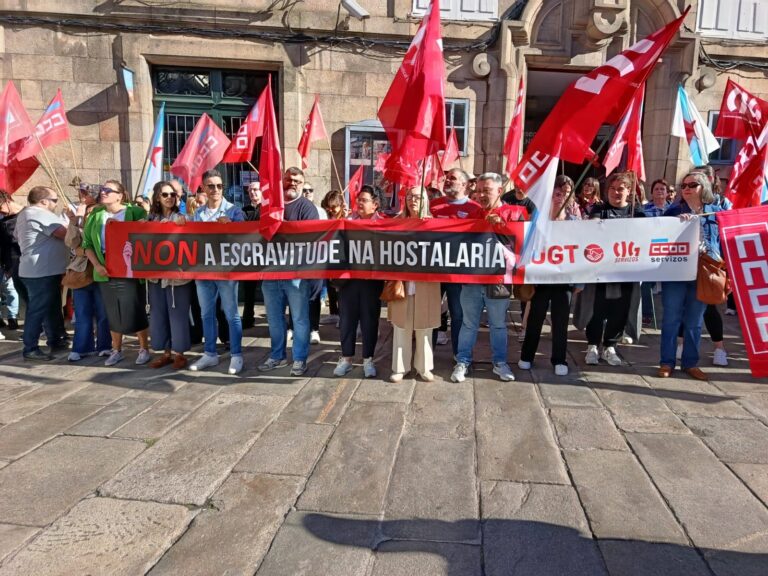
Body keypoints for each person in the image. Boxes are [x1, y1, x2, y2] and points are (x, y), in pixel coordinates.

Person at [451, 172, 526, 383]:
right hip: (472, 281)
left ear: (499, 191)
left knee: (498, 324)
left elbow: (523, 243)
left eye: (487, 190)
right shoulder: (471, 214)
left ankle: (500, 363)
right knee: (468, 324)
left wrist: (502, 225)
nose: (482, 194)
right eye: (480, 190)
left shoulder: (515, 212)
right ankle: (462, 361)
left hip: (499, 282)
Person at [658, 171, 723, 380]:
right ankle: (667, 362)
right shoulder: (673, 211)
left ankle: (690, 363)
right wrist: (675, 224)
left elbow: (722, 242)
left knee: (695, 321)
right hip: (676, 274)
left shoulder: (716, 213)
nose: (686, 188)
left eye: (692, 185)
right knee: (671, 319)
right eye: (683, 185)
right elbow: (660, 238)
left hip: (703, 273)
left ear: (703, 188)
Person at [577, 172, 644, 367]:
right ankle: (592, 346)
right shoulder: (599, 209)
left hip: (626, 272)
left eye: (621, 189)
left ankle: (610, 346)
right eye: (612, 189)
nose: (616, 192)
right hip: (600, 272)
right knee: (596, 310)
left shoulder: (637, 213)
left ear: (629, 191)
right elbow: (592, 230)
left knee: (620, 310)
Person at [82, 180, 151, 366]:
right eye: (102, 189)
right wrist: (96, 265)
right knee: (112, 311)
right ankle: (116, 349)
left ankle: (143, 348)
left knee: (134, 308)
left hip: (129, 268)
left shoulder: (134, 212)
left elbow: (147, 234)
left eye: (108, 190)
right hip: (105, 268)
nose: (103, 192)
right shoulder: (96, 215)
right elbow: (87, 244)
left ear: (120, 195)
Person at [259, 167, 319, 376]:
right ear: (281, 181)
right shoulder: (269, 206)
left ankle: (299, 359)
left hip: (296, 276)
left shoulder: (307, 207)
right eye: (288, 179)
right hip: (270, 274)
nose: (292, 183)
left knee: (300, 319)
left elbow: (310, 238)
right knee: (274, 319)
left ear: (302, 184)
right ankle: (277, 356)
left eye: (297, 181)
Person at [519, 177, 578, 376]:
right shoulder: (537, 221)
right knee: (535, 319)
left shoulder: (574, 223)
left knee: (561, 322)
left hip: (564, 281)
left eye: (562, 194)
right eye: (554, 195)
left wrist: (578, 281)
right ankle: (526, 356)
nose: (558, 198)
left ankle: (559, 359)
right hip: (541, 280)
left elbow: (581, 254)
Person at [190, 169, 245, 374]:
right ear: (203, 187)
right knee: (206, 314)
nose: (215, 190)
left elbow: (246, 238)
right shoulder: (198, 214)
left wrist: (232, 226)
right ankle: (210, 354)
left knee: (231, 314)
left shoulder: (234, 211)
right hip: (203, 271)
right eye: (211, 186)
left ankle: (237, 355)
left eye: (219, 186)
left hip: (226, 271)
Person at [388, 187, 441, 382]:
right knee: (402, 326)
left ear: (425, 200)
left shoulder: (436, 225)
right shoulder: (396, 223)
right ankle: (400, 367)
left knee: (424, 326)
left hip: (426, 284)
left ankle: (424, 367)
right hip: (401, 282)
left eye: (418, 197)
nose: (413, 200)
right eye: (409, 197)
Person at [430, 168, 484, 356]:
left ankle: (458, 354)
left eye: (452, 178)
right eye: (446, 178)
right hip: (433, 271)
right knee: (430, 312)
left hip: (458, 273)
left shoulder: (476, 210)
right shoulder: (433, 205)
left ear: (464, 184)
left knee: (458, 314)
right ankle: (427, 355)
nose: (447, 181)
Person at [333, 186, 385, 378]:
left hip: (372, 281)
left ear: (375, 204)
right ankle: (346, 358)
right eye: (358, 200)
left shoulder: (384, 224)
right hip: (348, 280)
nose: (359, 203)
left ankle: (368, 359)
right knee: (347, 320)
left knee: (369, 320)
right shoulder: (347, 222)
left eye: (364, 200)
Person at [13, 186, 70, 360]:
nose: (55, 203)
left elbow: (16, 235)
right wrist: (73, 219)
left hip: (41, 269)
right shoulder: (38, 213)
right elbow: (64, 234)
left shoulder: (25, 213)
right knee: (38, 309)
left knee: (51, 306)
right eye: (54, 200)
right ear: (43, 201)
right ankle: (30, 347)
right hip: (40, 270)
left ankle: (55, 339)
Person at [146, 181, 192, 370]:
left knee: (178, 314)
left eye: (173, 194)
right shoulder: (149, 219)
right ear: (158, 197)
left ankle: (179, 353)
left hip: (177, 277)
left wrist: (179, 224)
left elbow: (190, 234)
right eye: (165, 194)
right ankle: (165, 352)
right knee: (158, 314)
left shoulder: (182, 216)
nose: (169, 198)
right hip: (155, 276)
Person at [65, 182, 111, 361]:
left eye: (86, 193)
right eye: (81, 194)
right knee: (82, 311)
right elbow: (71, 243)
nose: (82, 197)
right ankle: (81, 347)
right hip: (81, 271)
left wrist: (84, 250)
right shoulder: (80, 213)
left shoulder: (104, 213)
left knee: (103, 311)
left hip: (102, 268)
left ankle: (105, 345)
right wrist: (74, 221)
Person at [319, 190, 346, 326]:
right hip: (327, 256)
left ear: (340, 205)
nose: (331, 210)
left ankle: (342, 315)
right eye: (328, 207)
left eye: (334, 207)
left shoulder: (347, 218)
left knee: (340, 287)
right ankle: (333, 313)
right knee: (330, 286)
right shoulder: (326, 217)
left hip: (342, 258)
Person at [241, 180, 262, 330]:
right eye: (250, 190)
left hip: (267, 255)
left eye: (256, 189)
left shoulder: (268, 209)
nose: (253, 192)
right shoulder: (244, 210)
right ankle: (248, 317)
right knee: (248, 289)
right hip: (249, 254)